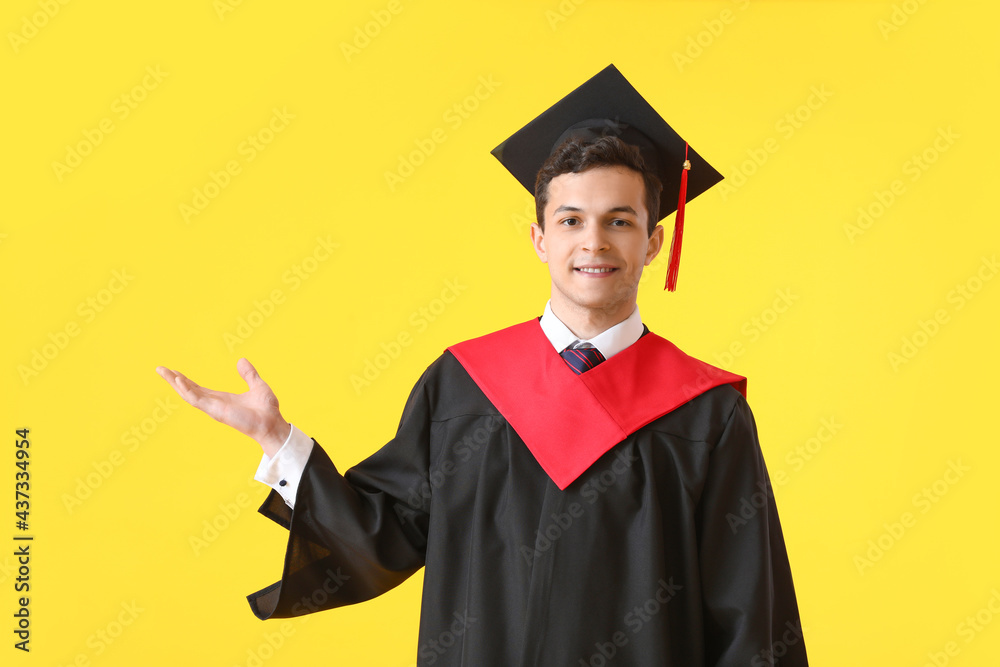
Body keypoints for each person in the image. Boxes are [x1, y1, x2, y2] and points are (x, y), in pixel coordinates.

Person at [157, 65, 808, 666]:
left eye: (619, 221)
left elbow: (750, 610)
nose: (594, 242)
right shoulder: (464, 384)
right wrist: (277, 438)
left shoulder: (705, 410)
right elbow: (378, 539)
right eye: (572, 219)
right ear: (539, 237)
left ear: (653, 239)